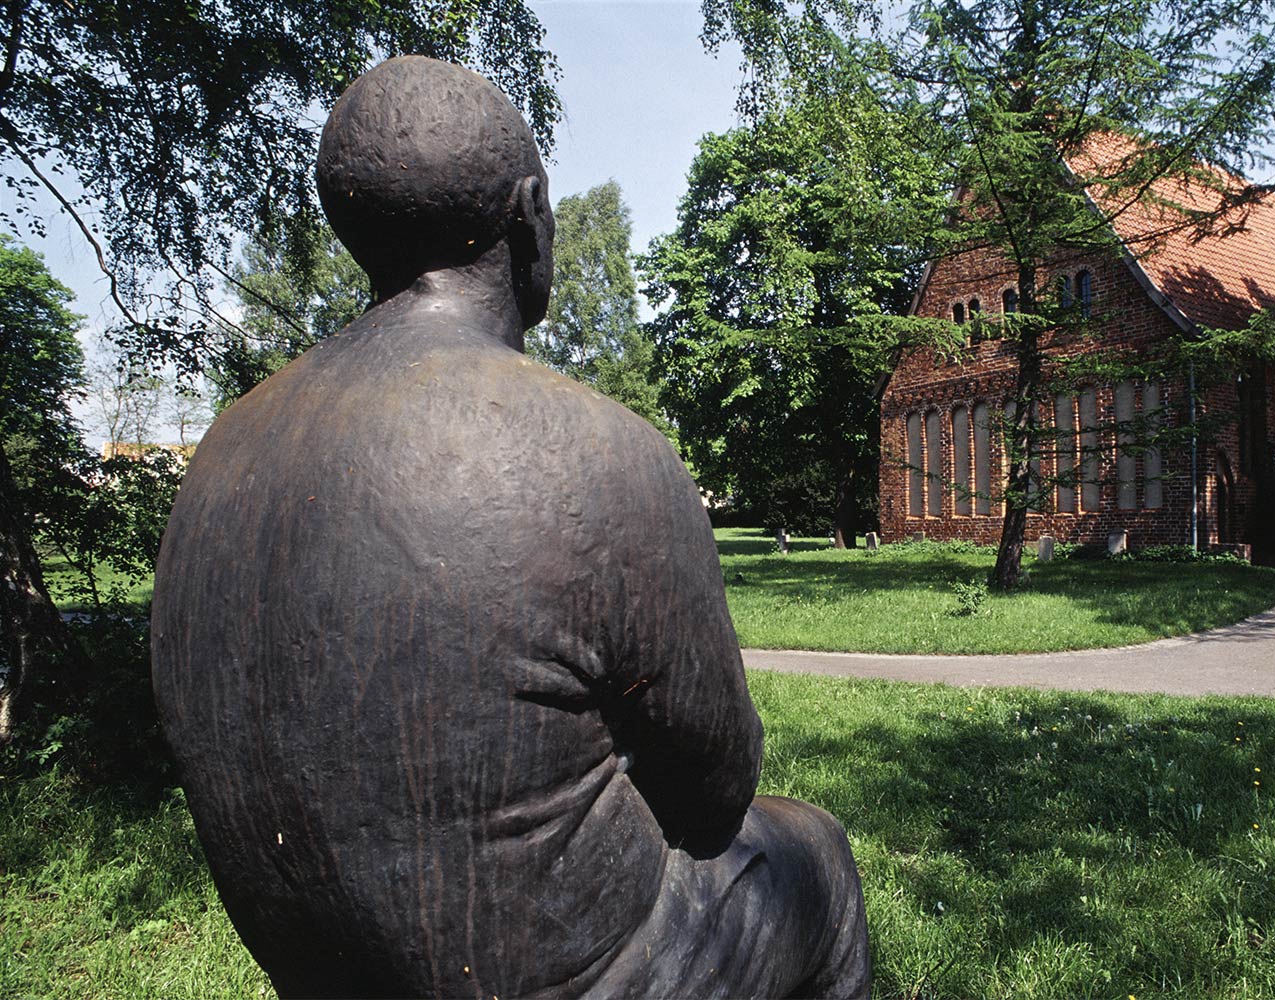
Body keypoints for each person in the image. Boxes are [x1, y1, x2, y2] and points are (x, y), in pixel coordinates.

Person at [152, 55, 870, 999]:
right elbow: (718, 791)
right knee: (813, 850)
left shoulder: (219, 457)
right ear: (528, 217)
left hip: (329, 977)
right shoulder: (596, 451)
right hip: (580, 979)